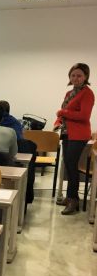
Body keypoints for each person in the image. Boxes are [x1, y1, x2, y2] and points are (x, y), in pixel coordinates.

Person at [54, 63, 95, 215]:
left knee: (72, 166)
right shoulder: (69, 93)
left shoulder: (87, 93)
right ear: (69, 77)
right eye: (73, 75)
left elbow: (84, 116)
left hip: (79, 135)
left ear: (86, 77)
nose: (76, 78)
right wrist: (58, 121)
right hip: (67, 133)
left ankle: (73, 200)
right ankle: (71, 197)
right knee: (68, 166)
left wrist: (63, 112)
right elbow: (62, 115)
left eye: (79, 75)